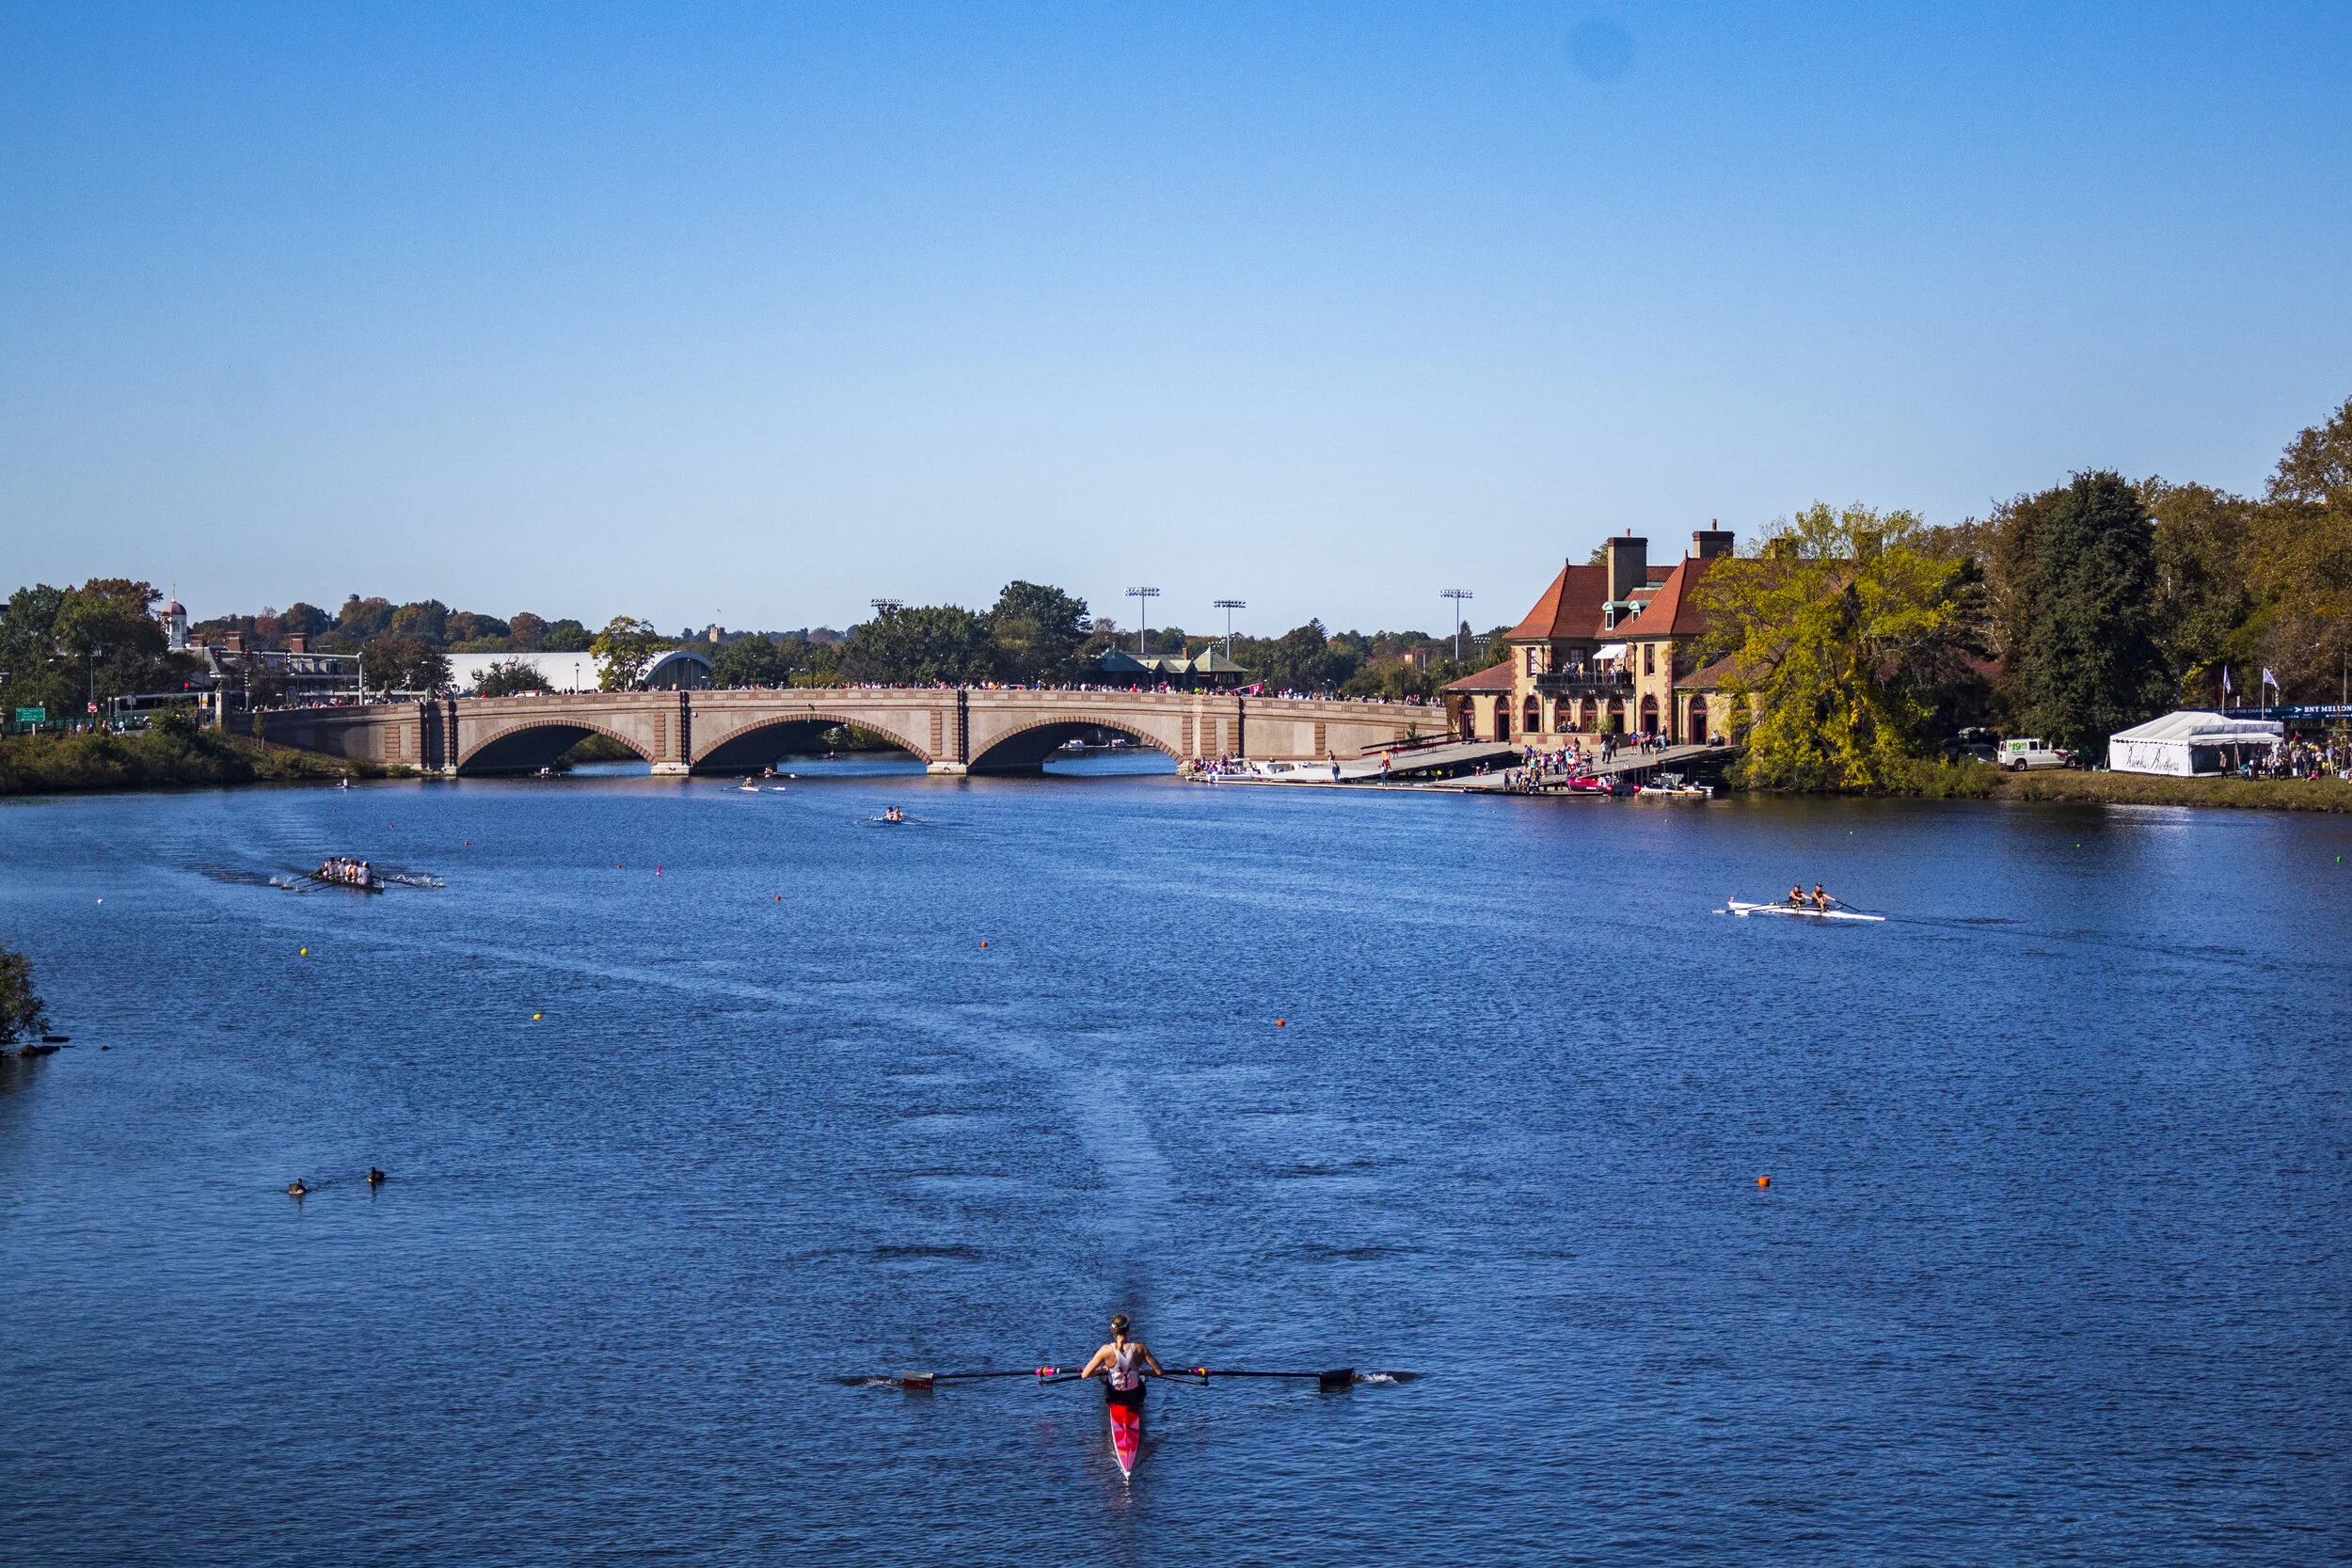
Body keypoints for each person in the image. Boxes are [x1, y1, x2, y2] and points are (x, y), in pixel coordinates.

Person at [1081, 1313, 1164, 1417]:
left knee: (1104, 1380)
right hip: (1134, 1395)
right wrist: (1143, 1372)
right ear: (1128, 1329)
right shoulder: (1140, 1348)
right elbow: (1160, 1372)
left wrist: (1102, 1369)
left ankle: (1112, 1405)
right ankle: (1138, 1404)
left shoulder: (1105, 1350)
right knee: (1142, 1381)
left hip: (1114, 1395)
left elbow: (1084, 1375)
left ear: (1112, 1330)